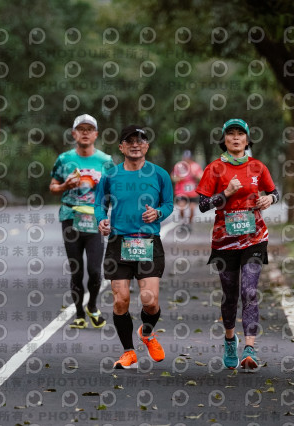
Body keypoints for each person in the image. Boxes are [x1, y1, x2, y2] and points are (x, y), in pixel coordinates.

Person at [195, 118, 280, 371]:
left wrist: (270, 200)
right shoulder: (214, 168)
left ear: (247, 139)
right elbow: (202, 205)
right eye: (230, 134)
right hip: (224, 242)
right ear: (224, 140)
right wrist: (226, 194)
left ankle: (250, 347)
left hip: (255, 238)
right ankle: (230, 340)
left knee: (249, 291)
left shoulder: (257, 166)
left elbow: (274, 192)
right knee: (230, 295)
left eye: (240, 134)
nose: (235, 138)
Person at [94, 124, 174, 369]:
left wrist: (158, 213)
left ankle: (146, 333)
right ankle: (128, 352)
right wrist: (101, 220)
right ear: (121, 147)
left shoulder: (160, 174)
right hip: (119, 242)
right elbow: (99, 204)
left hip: (148, 242)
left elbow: (169, 204)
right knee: (121, 300)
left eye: (140, 140)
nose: (135, 145)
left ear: (147, 146)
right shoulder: (110, 176)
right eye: (130, 141)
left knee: (150, 301)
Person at [49, 114, 114, 329]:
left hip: (95, 220)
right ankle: (78, 313)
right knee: (76, 269)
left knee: (95, 270)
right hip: (71, 218)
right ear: (73, 133)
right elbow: (52, 186)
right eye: (81, 129)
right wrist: (64, 186)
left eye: (89, 129)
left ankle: (92, 306)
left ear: (96, 134)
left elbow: (115, 190)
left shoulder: (105, 161)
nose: (85, 133)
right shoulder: (64, 159)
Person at [171, 150, 203, 231]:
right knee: (181, 208)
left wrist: (195, 175)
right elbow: (173, 177)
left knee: (192, 209)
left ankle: (189, 223)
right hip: (181, 191)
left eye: (188, 158)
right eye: (185, 158)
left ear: (191, 158)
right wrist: (180, 178)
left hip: (193, 192)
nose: (187, 159)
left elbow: (201, 176)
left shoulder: (195, 166)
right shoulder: (179, 166)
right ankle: (183, 221)